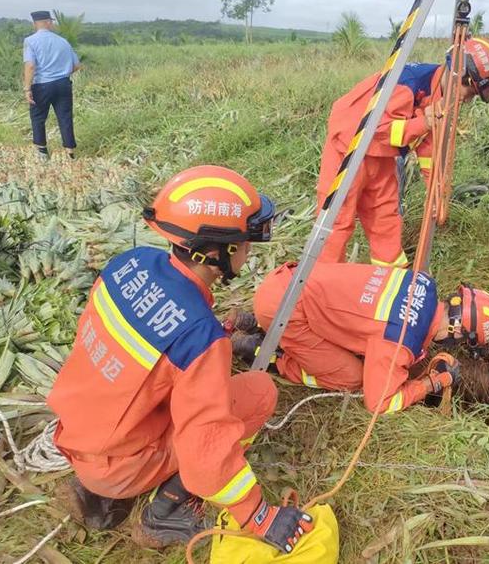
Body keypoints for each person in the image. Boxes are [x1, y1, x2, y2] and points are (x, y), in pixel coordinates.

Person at [48, 166, 314, 553]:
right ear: (214, 252)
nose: (248, 250)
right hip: (118, 465)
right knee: (257, 393)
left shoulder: (130, 264)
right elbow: (206, 447)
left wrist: (216, 338)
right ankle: (168, 510)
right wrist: (259, 515)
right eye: (244, 243)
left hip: (77, 433)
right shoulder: (197, 337)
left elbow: (143, 355)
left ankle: (98, 488)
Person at [317, 37, 489, 267]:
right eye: (471, 90)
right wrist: (422, 124)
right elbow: (374, 132)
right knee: (336, 224)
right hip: (347, 151)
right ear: (458, 72)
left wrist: (436, 191)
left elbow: (429, 148)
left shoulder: (440, 98)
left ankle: (390, 284)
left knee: (385, 220)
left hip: (382, 158)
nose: (468, 99)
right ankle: (324, 285)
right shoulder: (406, 83)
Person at [239, 261, 489, 413]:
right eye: (462, 341)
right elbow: (380, 402)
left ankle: (254, 324)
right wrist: (431, 384)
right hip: (284, 311)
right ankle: (267, 353)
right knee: (353, 377)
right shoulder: (402, 340)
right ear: (457, 330)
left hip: (287, 280)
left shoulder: (423, 282)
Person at [23, 11, 82, 160]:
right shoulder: (63, 41)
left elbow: (30, 66)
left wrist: (27, 88)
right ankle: (70, 152)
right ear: (48, 22)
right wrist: (61, 73)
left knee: (38, 117)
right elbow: (76, 65)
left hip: (41, 85)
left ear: (35, 23)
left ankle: (42, 152)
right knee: (65, 117)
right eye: (52, 21)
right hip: (63, 84)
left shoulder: (30, 41)